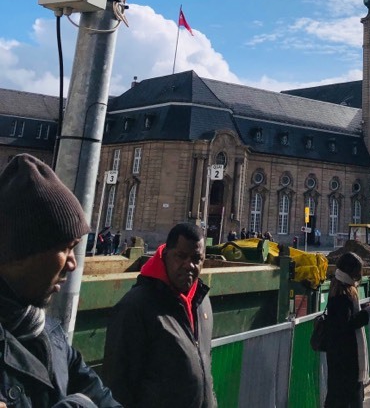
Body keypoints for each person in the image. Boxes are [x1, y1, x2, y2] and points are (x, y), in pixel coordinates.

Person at [0, 153, 120, 407]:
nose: (73, 264)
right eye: (66, 247)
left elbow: (102, 398)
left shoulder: (47, 331)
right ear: (23, 250)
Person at [103, 222, 217, 408]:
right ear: (165, 255)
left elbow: (205, 370)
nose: (189, 265)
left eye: (197, 258)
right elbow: (118, 387)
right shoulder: (135, 307)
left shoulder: (202, 301)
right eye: (180, 256)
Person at [324, 251, 370, 407]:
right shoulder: (344, 293)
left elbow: (346, 315)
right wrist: (367, 312)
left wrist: (364, 308)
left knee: (337, 396)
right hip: (347, 357)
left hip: (338, 356)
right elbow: (348, 322)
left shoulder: (338, 287)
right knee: (349, 398)